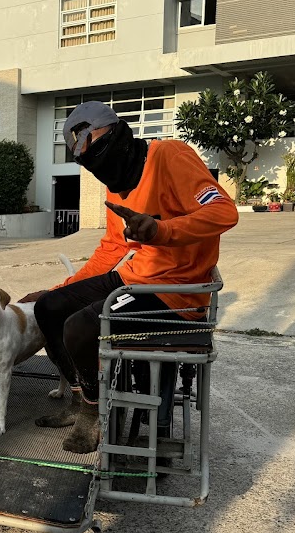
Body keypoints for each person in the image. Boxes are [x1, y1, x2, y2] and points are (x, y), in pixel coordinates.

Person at [20, 101, 238, 453]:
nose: (101, 167)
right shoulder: (116, 185)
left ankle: (95, 412)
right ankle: (80, 401)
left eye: (102, 152)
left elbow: (223, 212)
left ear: (121, 135)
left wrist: (162, 231)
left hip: (175, 294)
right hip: (135, 276)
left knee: (82, 326)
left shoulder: (170, 155)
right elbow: (112, 248)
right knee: (49, 308)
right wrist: (60, 288)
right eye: (90, 164)